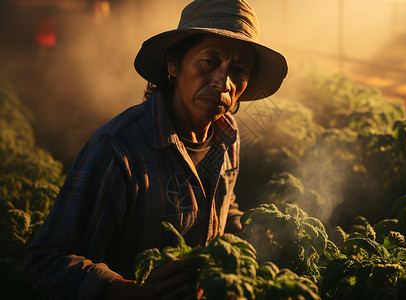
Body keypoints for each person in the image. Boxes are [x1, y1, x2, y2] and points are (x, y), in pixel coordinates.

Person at [23, 0, 288, 299]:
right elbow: (44, 260)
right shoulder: (118, 149)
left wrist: (245, 233)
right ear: (173, 64)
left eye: (238, 70)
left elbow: (221, 201)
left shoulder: (227, 134)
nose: (223, 82)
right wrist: (129, 293)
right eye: (209, 61)